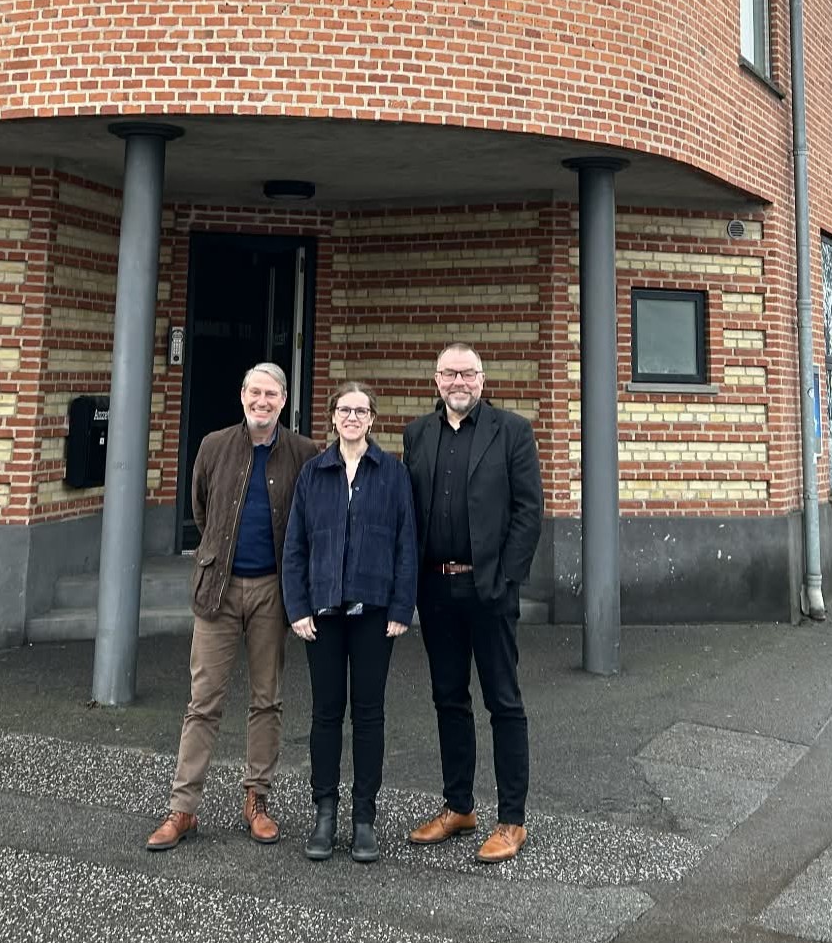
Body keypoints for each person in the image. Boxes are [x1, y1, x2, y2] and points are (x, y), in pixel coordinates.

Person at [147, 362, 317, 851]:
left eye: (271, 394)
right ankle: (183, 808)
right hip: (218, 589)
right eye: (254, 392)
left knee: (267, 698)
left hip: (272, 591)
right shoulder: (214, 445)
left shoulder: (303, 453)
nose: (262, 401)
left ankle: (256, 800)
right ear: (242, 396)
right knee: (203, 702)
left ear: (283, 400)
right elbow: (202, 509)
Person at [402, 342, 544, 863]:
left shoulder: (513, 431)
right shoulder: (418, 434)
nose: (458, 382)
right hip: (436, 589)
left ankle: (512, 820)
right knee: (448, 699)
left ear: (482, 380)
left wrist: (505, 578)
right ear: (436, 380)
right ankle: (458, 807)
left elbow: (529, 510)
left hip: (489, 590)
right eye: (449, 373)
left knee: (503, 702)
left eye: (468, 374)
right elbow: (410, 510)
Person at [282, 382, 417, 864]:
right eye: (345, 410)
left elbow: (406, 544)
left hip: (374, 614)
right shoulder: (313, 473)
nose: (353, 417)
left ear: (372, 418)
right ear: (333, 417)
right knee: (325, 713)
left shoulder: (393, 473)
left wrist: (401, 608)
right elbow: (295, 546)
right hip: (322, 614)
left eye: (361, 410)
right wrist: (297, 607)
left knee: (369, 714)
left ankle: (364, 817)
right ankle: (325, 812)